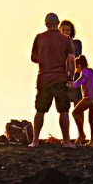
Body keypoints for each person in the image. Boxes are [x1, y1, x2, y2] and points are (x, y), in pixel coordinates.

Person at [29, 13, 76, 148]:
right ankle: (66, 141)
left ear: (46, 24)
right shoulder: (66, 39)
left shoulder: (39, 38)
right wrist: (71, 78)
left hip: (44, 79)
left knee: (40, 110)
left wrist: (45, 58)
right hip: (61, 79)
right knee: (63, 110)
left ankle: (35, 141)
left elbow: (33, 58)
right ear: (58, 23)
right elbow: (71, 60)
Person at [67, 55, 93, 144]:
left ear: (79, 65)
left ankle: (81, 134)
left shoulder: (85, 71)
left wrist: (71, 84)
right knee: (91, 120)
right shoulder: (92, 72)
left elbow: (80, 81)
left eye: (76, 67)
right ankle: (92, 141)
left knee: (75, 113)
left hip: (89, 98)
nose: (76, 70)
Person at [60, 19, 83, 107]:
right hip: (62, 74)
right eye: (63, 30)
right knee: (63, 102)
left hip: (74, 74)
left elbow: (76, 55)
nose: (65, 32)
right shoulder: (57, 44)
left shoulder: (76, 43)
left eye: (68, 30)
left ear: (71, 31)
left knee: (77, 101)